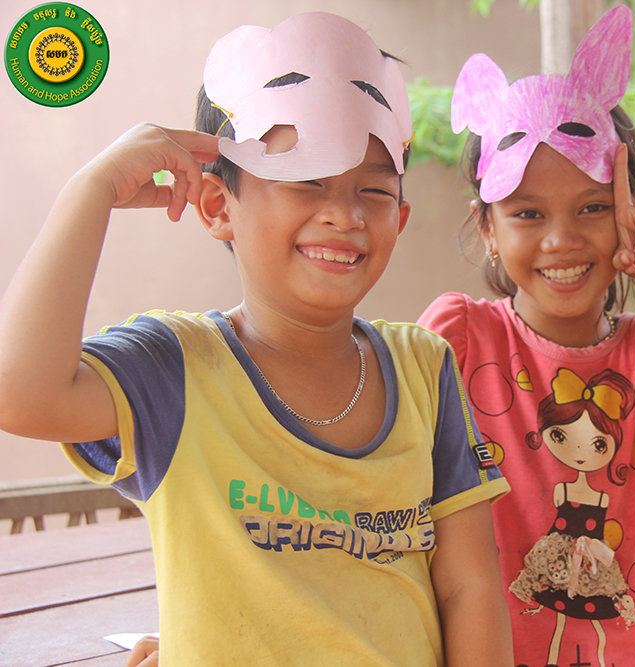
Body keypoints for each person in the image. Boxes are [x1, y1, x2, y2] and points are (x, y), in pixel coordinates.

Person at [0, 12, 512, 666]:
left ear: (400, 216)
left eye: (373, 192)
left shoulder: (424, 366)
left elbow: (469, 584)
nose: (345, 215)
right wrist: (91, 191)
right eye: (307, 182)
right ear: (218, 207)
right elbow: (20, 392)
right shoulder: (171, 369)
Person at [417, 6, 635, 666]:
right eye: (527, 214)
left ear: (629, 210)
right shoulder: (459, 337)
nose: (561, 239)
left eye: (593, 207)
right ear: (488, 226)